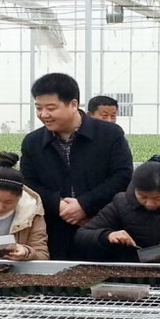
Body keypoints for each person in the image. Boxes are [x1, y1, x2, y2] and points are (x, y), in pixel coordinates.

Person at [20, 73, 133, 260]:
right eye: (38, 108)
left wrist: (84, 204)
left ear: (73, 105)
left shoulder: (109, 134)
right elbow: (29, 184)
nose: (43, 114)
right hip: (54, 232)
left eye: (51, 108)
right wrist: (57, 205)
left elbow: (122, 177)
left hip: (101, 229)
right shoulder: (33, 142)